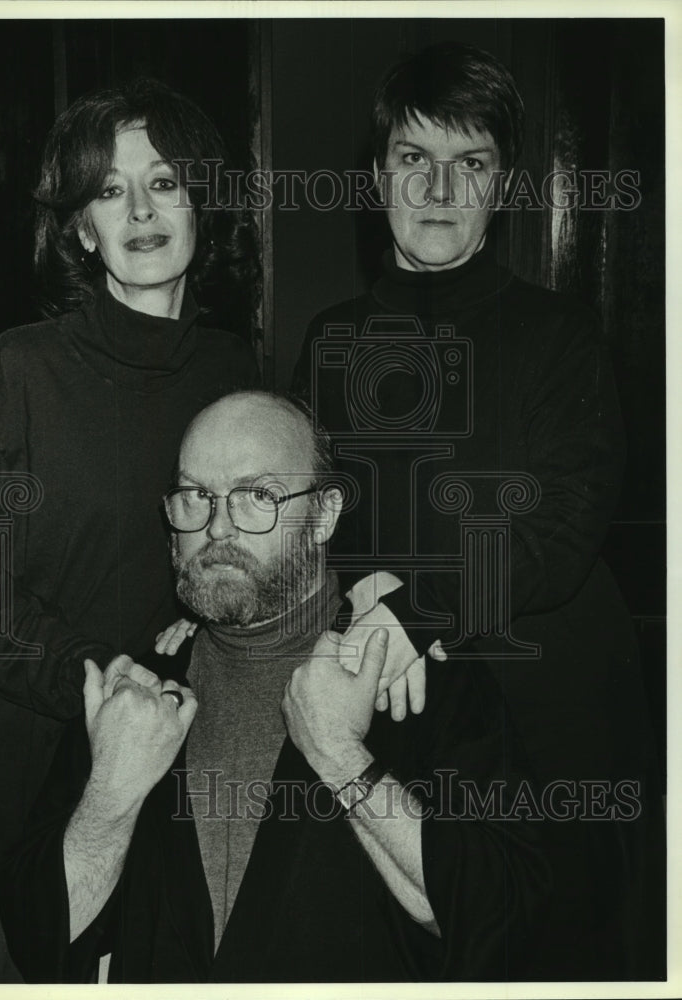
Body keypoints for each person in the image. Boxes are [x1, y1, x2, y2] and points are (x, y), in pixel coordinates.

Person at [292, 42, 664, 979]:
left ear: (502, 188)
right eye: (415, 157)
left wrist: (417, 602)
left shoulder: (562, 334)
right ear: (378, 176)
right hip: (393, 719)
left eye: (472, 163)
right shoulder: (330, 341)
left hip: (552, 725)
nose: (440, 186)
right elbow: (309, 515)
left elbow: (563, 525)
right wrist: (352, 582)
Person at [0, 390, 549, 983]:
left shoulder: (417, 676)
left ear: (325, 515)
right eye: (195, 497)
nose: (218, 527)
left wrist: (342, 757)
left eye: (258, 495)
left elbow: (509, 921)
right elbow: (39, 941)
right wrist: (112, 796)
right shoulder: (140, 691)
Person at [0, 78, 259, 983]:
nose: (141, 210)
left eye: (165, 182)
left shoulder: (236, 369)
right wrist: (110, 678)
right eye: (110, 190)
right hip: (12, 771)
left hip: (154, 762)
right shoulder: (22, 368)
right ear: (80, 228)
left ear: (203, 204)